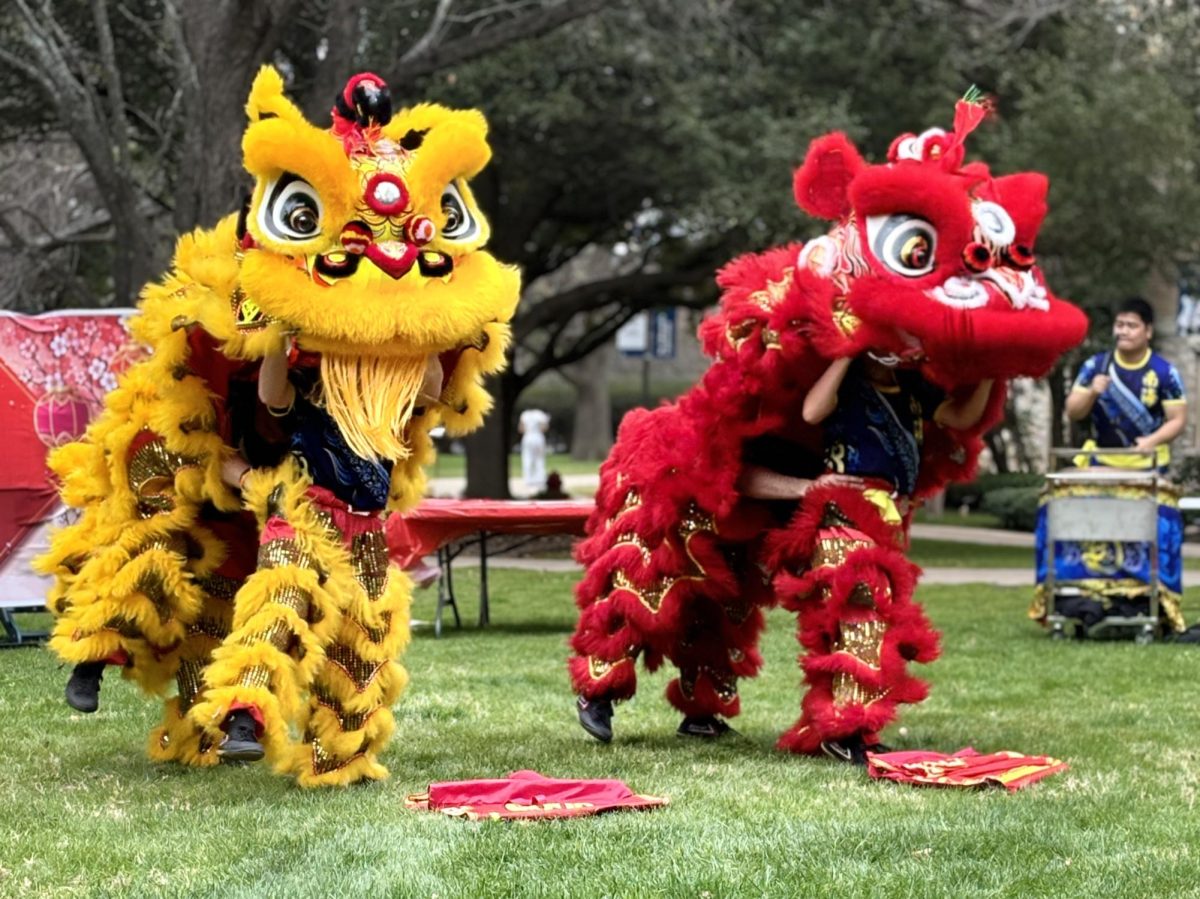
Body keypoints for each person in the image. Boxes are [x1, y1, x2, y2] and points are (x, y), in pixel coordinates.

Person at [1066, 297, 1187, 471]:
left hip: (1149, 465)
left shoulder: (1165, 372)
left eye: (1132, 326)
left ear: (1148, 331)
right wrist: (1092, 392)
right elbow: (1073, 412)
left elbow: (1178, 420)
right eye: (1119, 325)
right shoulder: (1096, 366)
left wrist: (1151, 441)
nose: (1123, 331)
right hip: (1101, 464)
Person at [519, 407, 550, 489]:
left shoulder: (524, 414)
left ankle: (528, 479)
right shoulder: (540, 414)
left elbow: (521, 429)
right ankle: (539, 479)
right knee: (539, 458)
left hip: (527, 437)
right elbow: (544, 428)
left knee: (527, 458)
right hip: (538, 437)